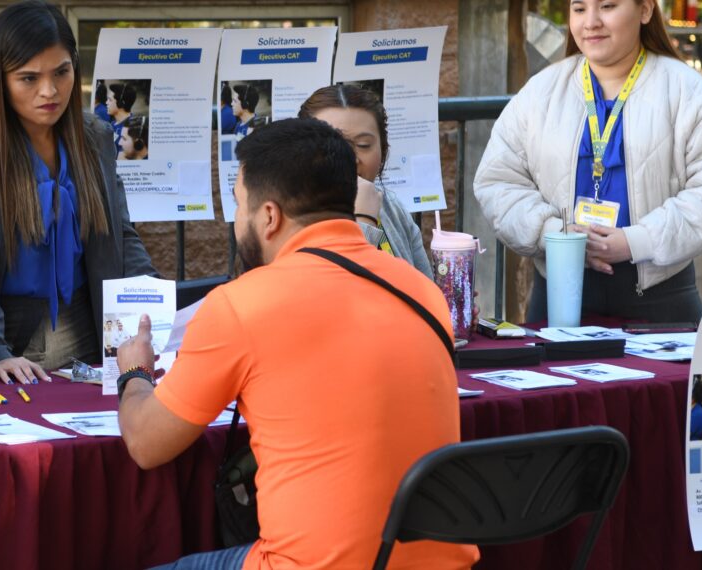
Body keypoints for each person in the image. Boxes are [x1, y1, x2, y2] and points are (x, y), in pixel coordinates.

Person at [115, 118, 478, 569]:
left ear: (269, 216)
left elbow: (147, 444)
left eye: (239, 205)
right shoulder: (422, 291)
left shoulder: (240, 305)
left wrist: (134, 373)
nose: (236, 221)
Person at [473, 0, 702, 323]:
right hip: (559, 294)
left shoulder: (693, 95)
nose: (591, 22)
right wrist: (556, 235)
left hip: (660, 300)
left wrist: (634, 242)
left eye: (608, 6)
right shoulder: (539, 93)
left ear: (645, 11)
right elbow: (498, 181)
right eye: (579, 9)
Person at [0, 0, 155, 385]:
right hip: (9, 332)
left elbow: (122, 235)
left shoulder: (95, 135)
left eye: (62, 72)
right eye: (28, 78)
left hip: (91, 324)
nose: (49, 91)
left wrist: (154, 315)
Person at [298, 84, 432, 278]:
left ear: (383, 149)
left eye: (363, 145)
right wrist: (363, 222)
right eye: (331, 146)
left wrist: (453, 299)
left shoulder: (390, 207)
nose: (351, 158)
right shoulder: (292, 221)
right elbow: (340, 297)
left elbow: (426, 292)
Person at [107, 82, 136, 151]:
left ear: (120, 104)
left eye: (110, 100)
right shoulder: (114, 123)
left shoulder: (129, 131)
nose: (106, 102)